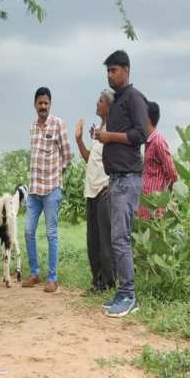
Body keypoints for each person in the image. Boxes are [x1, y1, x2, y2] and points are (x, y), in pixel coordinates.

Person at [94, 50, 148, 317]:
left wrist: (110, 137)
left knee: (121, 238)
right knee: (118, 238)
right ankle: (123, 292)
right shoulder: (116, 101)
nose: (110, 75)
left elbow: (141, 134)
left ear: (126, 69)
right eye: (108, 71)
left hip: (128, 178)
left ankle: (129, 295)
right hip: (116, 178)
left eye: (114, 70)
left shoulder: (134, 98)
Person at [21, 87, 73, 293]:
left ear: (50, 105)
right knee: (28, 231)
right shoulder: (33, 126)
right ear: (35, 104)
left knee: (51, 234)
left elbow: (68, 156)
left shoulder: (58, 124)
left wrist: (56, 174)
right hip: (34, 190)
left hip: (52, 188)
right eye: (40, 103)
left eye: (46, 103)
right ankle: (34, 273)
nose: (43, 107)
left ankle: (52, 278)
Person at [75, 89, 116, 295]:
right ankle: (98, 282)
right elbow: (90, 159)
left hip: (104, 192)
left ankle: (110, 283)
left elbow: (119, 160)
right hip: (91, 192)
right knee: (93, 241)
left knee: (105, 241)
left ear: (108, 107)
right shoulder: (99, 130)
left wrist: (112, 184)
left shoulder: (112, 132)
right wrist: (79, 140)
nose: (97, 103)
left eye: (100, 101)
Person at [138, 101, 178, 219]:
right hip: (147, 205)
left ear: (147, 118)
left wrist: (165, 201)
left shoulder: (158, 141)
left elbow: (172, 174)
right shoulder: (148, 142)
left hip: (156, 206)